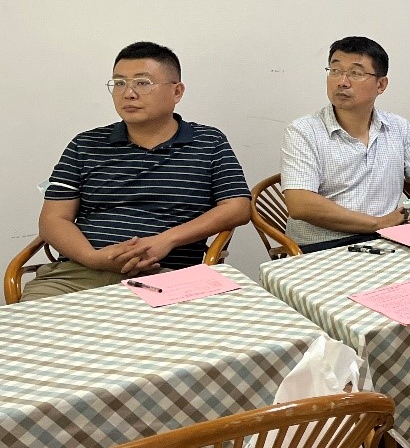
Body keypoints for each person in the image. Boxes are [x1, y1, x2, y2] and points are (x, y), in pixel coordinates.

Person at [22, 42, 251, 302]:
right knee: (29, 324)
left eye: (143, 83)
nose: (128, 93)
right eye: (119, 83)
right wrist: (93, 258)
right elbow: (53, 219)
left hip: (168, 276)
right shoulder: (85, 144)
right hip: (77, 274)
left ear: (176, 91)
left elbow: (238, 207)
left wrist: (167, 240)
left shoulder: (208, 142)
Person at [280, 36, 410, 250]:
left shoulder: (397, 127)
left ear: (381, 84)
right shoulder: (303, 131)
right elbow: (300, 204)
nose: (342, 82)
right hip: (324, 246)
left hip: (388, 239)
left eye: (355, 73)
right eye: (335, 70)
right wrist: (378, 223)